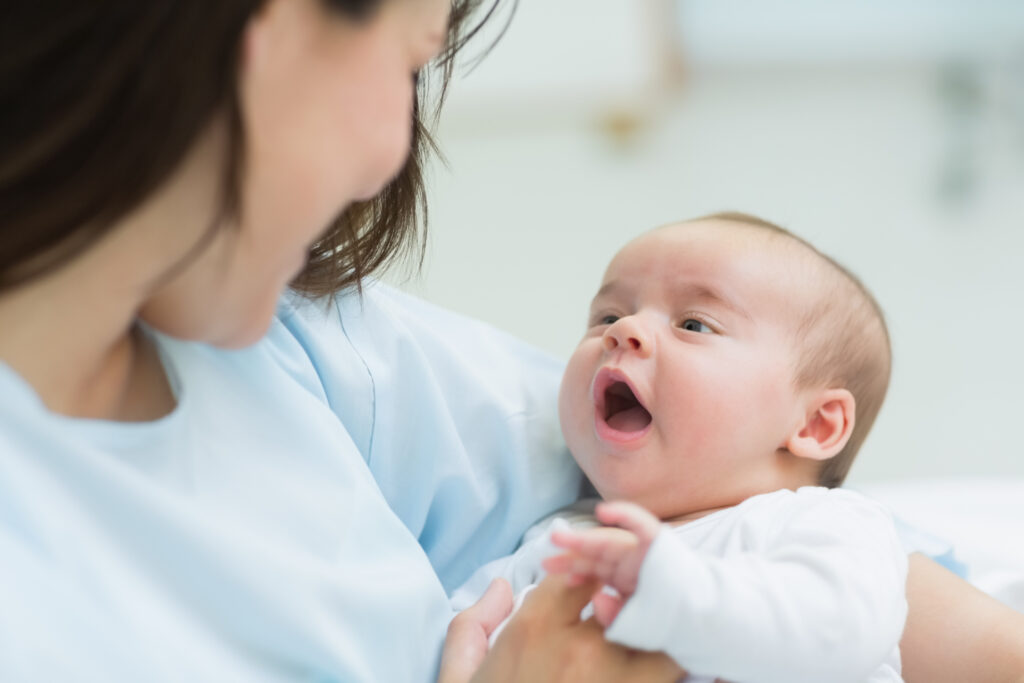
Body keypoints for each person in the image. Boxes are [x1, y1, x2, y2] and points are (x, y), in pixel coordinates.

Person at [0, 2, 1022, 682]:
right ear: (271, 39)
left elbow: (833, 554)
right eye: (407, 66)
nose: (392, 152)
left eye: (694, 321)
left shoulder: (292, 343)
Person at [453, 213, 907, 682]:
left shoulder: (823, 523)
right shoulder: (558, 540)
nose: (623, 329)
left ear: (814, 424)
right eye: (607, 316)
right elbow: (455, 635)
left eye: (694, 324)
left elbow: (839, 629)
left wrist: (679, 601)